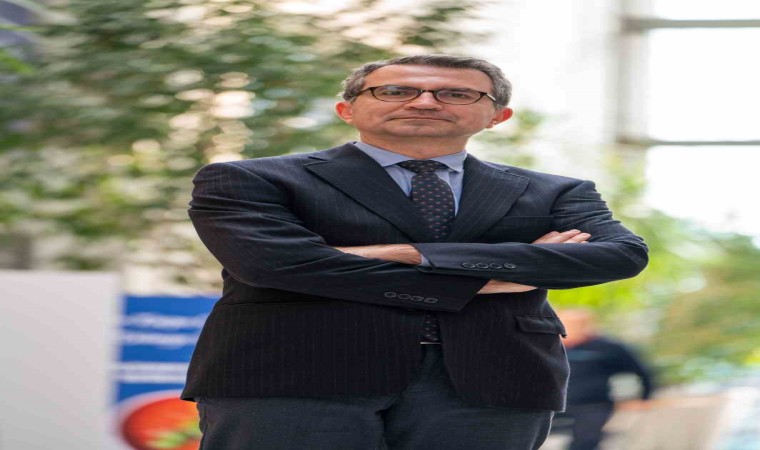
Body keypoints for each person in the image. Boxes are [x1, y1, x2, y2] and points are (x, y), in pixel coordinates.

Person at [182, 54, 649, 450]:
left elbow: (620, 255)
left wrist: (410, 254)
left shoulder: (554, 192)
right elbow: (275, 264)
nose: (424, 102)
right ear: (347, 109)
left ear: (498, 116)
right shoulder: (251, 179)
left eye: (456, 94)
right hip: (291, 376)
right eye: (395, 91)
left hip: (492, 382)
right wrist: (494, 276)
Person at [553, 309, 655, 450]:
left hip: (593, 404)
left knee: (585, 442)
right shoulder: (548, 347)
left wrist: (645, 397)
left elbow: (642, 371)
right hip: (553, 404)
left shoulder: (608, 348)